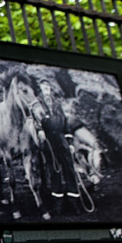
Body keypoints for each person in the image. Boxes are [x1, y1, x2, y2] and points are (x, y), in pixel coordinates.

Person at [38, 79, 79, 208]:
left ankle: (74, 201)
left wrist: (70, 142)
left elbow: (65, 122)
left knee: (69, 169)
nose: (46, 87)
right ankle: (58, 203)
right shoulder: (37, 103)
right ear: (39, 87)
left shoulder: (57, 103)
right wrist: (39, 130)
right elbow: (34, 120)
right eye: (43, 85)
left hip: (62, 139)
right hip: (49, 141)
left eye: (48, 85)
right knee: (54, 171)